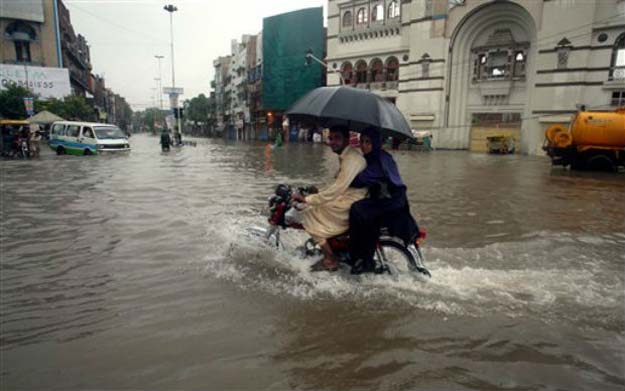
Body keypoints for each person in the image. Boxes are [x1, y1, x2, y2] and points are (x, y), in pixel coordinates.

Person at [291, 125, 367, 272]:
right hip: (347, 199)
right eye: (330, 138)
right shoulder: (347, 156)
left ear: (347, 139)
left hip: (348, 204)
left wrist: (307, 199)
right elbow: (338, 186)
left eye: (337, 138)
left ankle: (329, 258)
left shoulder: (352, 159)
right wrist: (316, 193)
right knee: (315, 206)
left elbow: (337, 189)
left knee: (306, 214)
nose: (332, 142)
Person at [348, 128, 415, 274]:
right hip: (392, 200)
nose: (363, 145)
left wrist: (344, 175)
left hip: (391, 203)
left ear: (376, 143)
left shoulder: (378, 161)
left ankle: (362, 259)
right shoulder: (382, 156)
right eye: (362, 141)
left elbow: (358, 180)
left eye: (368, 142)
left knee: (357, 210)